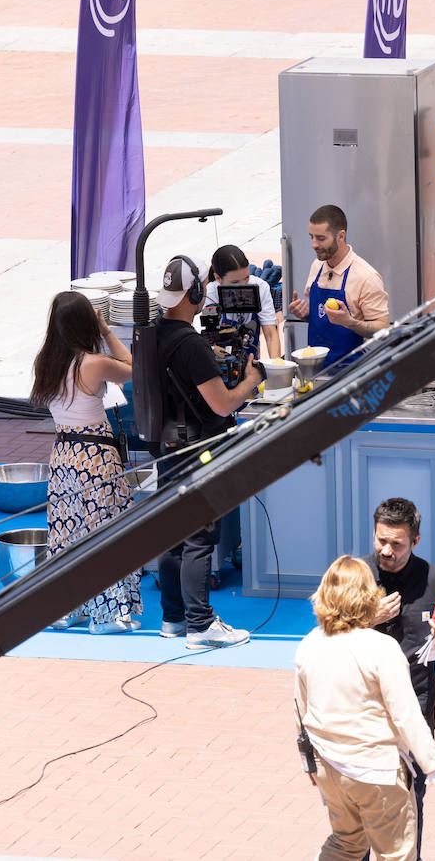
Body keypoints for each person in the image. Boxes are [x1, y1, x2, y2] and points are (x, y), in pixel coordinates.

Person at [295, 556, 435, 861]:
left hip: (329, 765)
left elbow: (301, 709)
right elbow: (406, 714)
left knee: (346, 843)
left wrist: (309, 761)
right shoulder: (382, 647)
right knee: (396, 852)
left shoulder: (309, 642)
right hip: (376, 771)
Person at [152, 255, 261, 649]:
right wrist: (251, 379)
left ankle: (174, 619)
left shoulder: (153, 335)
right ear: (196, 291)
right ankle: (200, 626)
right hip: (198, 448)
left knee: (172, 533)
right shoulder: (191, 345)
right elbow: (223, 405)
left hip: (167, 447)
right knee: (199, 536)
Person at [362, 497, 435, 860]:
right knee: (364, 797)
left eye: (397, 543)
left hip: (415, 703)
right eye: (381, 540)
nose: (386, 550)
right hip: (364, 706)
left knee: (412, 795)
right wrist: (368, 619)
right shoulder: (357, 577)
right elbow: (326, 633)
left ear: (415, 541)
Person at [30, 291, 142, 634]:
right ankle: (107, 615)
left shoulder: (45, 362)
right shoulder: (92, 363)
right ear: (84, 324)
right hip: (95, 456)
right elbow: (134, 368)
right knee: (105, 530)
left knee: (65, 531)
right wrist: (106, 329)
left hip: (62, 455)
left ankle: (66, 609)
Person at [287, 204, 390, 367]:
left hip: (351, 372)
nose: (314, 244)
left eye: (321, 238)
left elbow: (383, 330)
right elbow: (319, 316)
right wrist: (306, 313)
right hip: (315, 368)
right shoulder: (317, 266)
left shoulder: (366, 277)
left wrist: (350, 322)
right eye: (311, 237)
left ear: (341, 236)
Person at [206, 243, 283, 361]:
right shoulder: (210, 293)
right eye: (235, 282)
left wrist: (276, 366)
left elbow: (271, 334)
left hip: (252, 360)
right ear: (218, 278)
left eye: (246, 278)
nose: (243, 285)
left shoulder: (260, 287)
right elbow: (209, 341)